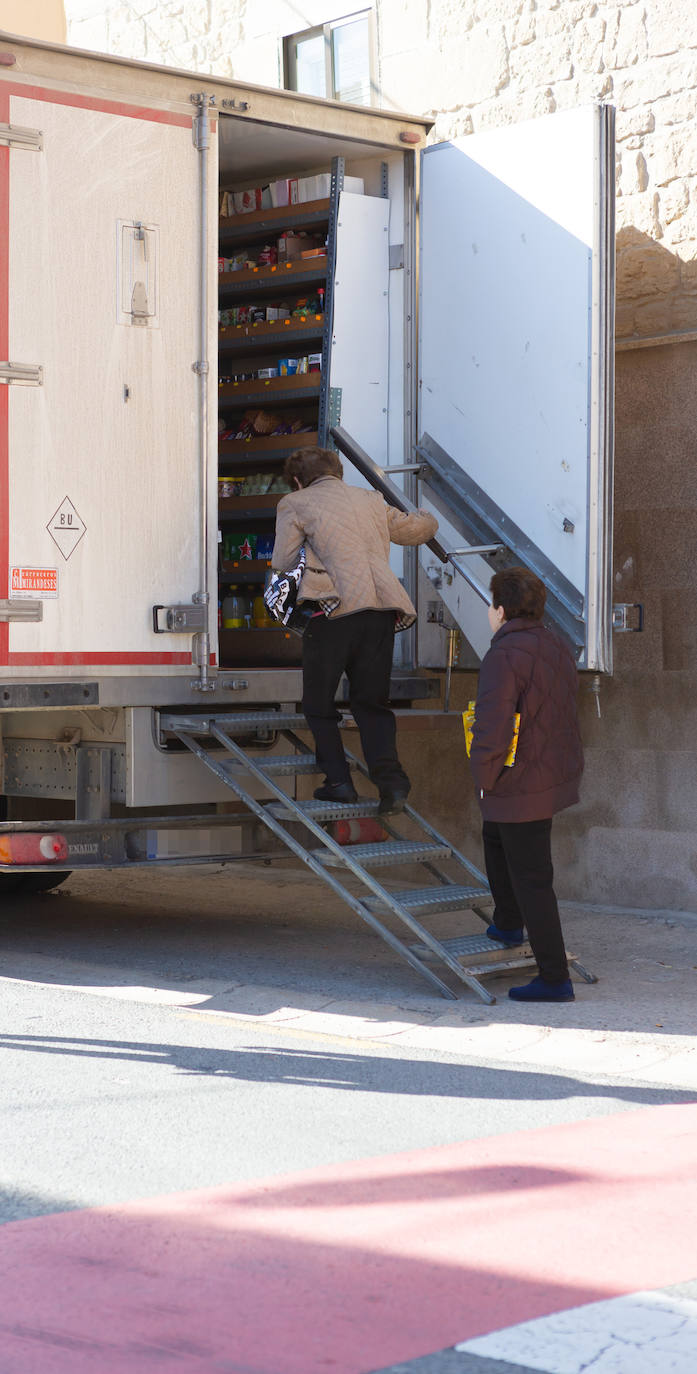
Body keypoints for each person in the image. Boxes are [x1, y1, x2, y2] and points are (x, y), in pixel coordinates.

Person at [271, 446, 438, 814]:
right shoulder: (371, 499)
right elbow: (417, 531)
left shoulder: (295, 503)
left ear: (298, 480)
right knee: (372, 705)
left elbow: (282, 561)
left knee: (319, 705)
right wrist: (426, 516)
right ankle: (392, 785)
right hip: (380, 611)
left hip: (332, 612)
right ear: (339, 472)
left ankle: (339, 782)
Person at [468, 565, 584, 1002]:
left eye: (490, 606)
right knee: (494, 834)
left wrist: (484, 776)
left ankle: (555, 978)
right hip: (550, 772)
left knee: (533, 876)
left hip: (521, 779)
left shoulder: (503, 654)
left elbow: (493, 726)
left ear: (500, 609)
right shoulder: (555, 644)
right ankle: (507, 922)